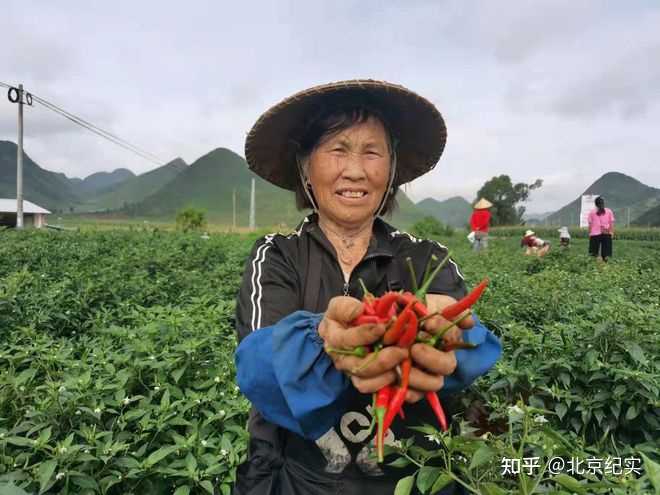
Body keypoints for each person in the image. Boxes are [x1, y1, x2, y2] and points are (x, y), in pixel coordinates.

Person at [233, 80, 502, 494]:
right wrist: (325, 339)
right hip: (300, 481)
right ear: (306, 166)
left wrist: (445, 334)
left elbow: (468, 345)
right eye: (337, 149)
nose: (355, 170)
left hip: (413, 481)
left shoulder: (427, 256)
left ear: (391, 170)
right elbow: (256, 365)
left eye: (372, 152)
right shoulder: (277, 255)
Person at [587, 196, 615, 261]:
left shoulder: (592, 212)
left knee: (593, 254)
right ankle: (606, 268)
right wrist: (612, 232)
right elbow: (611, 223)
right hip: (606, 233)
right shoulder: (609, 211)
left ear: (595, 204)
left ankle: (593, 267)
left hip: (594, 234)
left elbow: (590, 225)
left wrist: (590, 233)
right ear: (603, 203)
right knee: (606, 254)